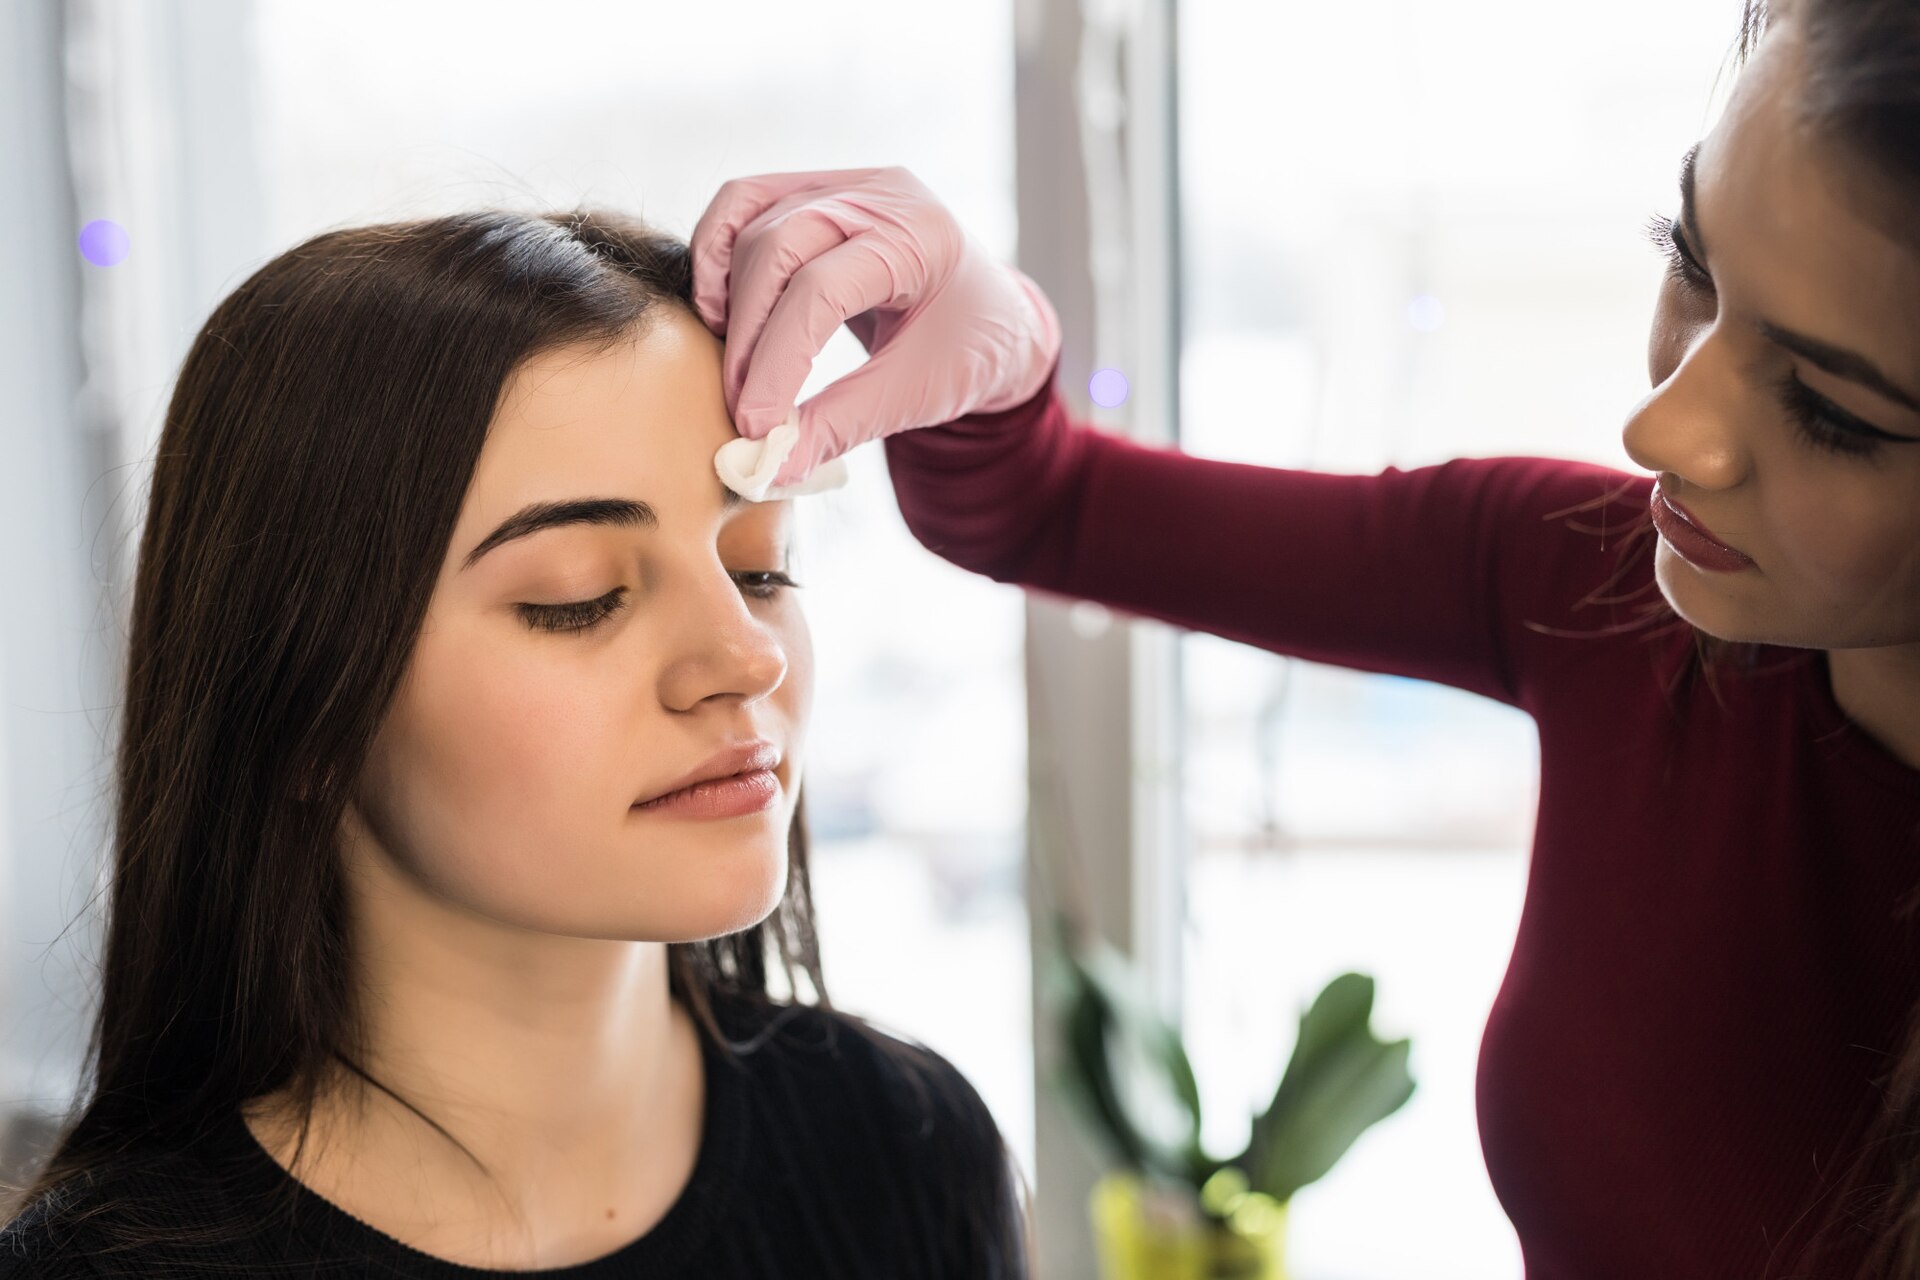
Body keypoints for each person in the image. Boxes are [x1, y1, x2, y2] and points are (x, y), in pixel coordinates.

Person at [689, 0, 1920, 1275]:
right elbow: (1041, 505)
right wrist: (972, 336)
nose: (1663, 428)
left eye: (1829, 407)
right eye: (1692, 263)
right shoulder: (1600, 580)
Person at [0, 209, 1028, 1278]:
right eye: (579, 599)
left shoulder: (905, 1145)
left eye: (760, 565)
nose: (744, 654)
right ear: (305, 710)